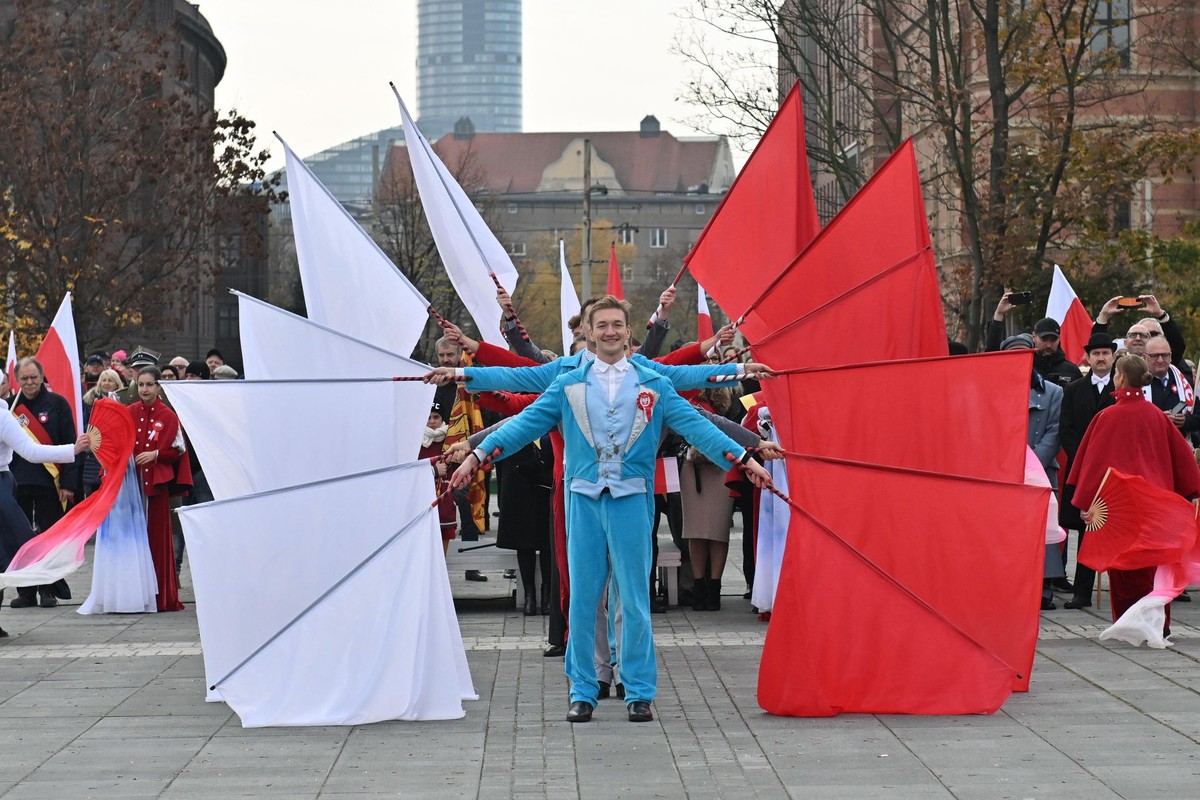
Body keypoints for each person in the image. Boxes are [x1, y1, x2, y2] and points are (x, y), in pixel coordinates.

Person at [449, 296, 773, 724]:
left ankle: (638, 690)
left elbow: (697, 425)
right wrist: (477, 454)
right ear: (587, 331)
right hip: (582, 500)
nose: (610, 332)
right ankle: (583, 689)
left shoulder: (653, 383)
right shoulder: (567, 383)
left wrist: (744, 459)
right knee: (582, 601)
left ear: (628, 330)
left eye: (617, 324)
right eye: (601, 325)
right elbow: (523, 422)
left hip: (631, 501)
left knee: (635, 601)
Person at [1067, 353, 1200, 631]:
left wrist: (1086, 500)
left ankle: (1128, 622)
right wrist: (1189, 491)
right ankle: (1158, 622)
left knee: (1124, 564)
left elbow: (1094, 462)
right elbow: (1183, 459)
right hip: (1156, 501)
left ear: (1120, 377)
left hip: (1121, 504)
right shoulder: (1157, 415)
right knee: (1155, 563)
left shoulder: (1107, 416)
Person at [1, 370, 91, 637]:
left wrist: (70, 450)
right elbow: (31, 452)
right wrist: (71, 450)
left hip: (2, 486)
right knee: (10, 550)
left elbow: (31, 451)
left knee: (11, 550)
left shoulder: (4, 416)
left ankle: (47, 584)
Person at [7, 357, 80, 608]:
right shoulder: (9, 407)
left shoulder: (57, 404)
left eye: (34, 377)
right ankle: (26, 591)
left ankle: (48, 590)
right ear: (17, 380)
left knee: (49, 537)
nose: (29, 383)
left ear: (41, 376)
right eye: (24, 378)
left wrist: (69, 484)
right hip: (17, 482)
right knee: (22, 539)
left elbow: (70, 442)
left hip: (51, 481)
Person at [1000, 334, 1064, 610]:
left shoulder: (1052, 392)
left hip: (1040, 469)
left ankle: (1044, 586)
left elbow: (1055, 430)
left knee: (1043, 529)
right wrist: (1010, 461)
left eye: (1025, 353)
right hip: (1004, 471)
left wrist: (1032, 463)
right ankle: (1009, 584)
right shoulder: (994, 389)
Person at [1059, 333, 1118, 609]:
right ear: (1089, 358)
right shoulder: (1073, 390)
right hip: (1081, 470)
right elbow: (1066, 430)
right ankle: (1081, 592)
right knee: (1085, 528)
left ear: (1114, 356)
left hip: (1113, 472)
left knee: (1116, 527)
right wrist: (1083, 458)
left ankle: (1122, 590)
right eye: (1096, 354)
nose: (1101, 358)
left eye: (1106, 353)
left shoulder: (1121, 391)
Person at [129, 367, 192, 612]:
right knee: (133, 540)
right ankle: (134, 593)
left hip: (157, 486)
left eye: (149, 384)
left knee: (157, 539)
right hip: (132, 486)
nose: (144, 389)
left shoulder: (168, 416)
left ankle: (159, 594)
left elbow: (178, 451)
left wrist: (156, 454)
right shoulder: (128, 412)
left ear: (158, 387)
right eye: (141, 384)